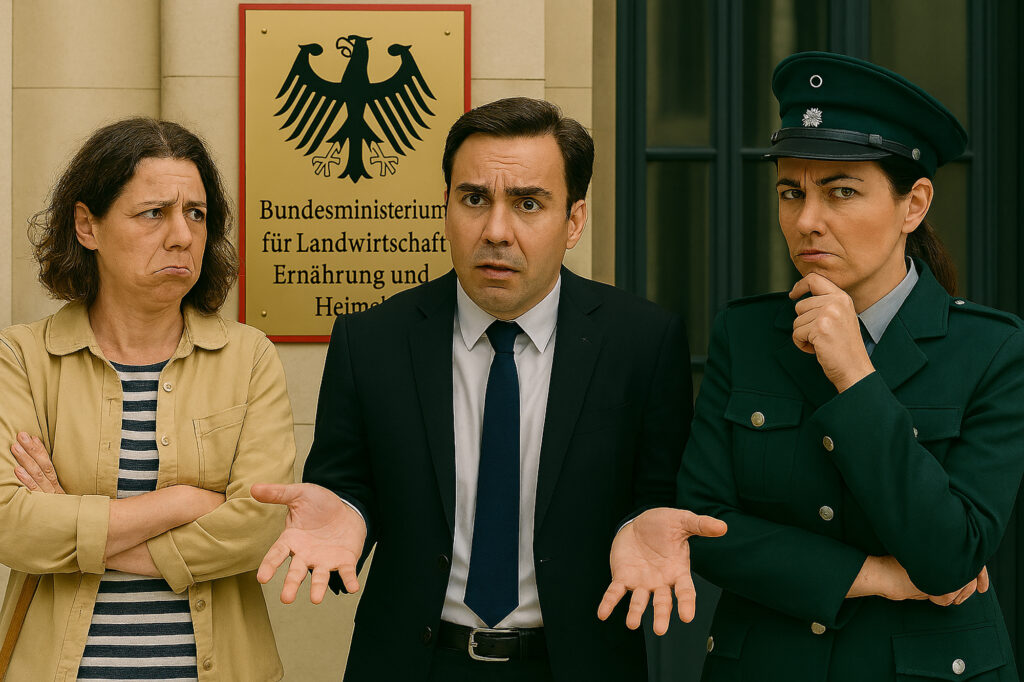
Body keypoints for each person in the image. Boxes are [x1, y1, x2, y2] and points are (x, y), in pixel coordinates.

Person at [251, 97, 726, 681]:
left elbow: (656, 491)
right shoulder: (371, 339)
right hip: (415, 664)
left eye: (528, 204)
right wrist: (348, 511)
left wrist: (645, 518)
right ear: (446, 206)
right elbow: (346, 485)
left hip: (575, 663)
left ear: (575, 221)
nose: (496, 231)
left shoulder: (643, 341)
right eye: (474, 199)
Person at [604, 52, 1024, 681]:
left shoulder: (990, 349)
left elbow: (951, 557)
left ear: (913, 205)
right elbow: (707, 524)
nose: (806, 221)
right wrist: (873, 575)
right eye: (791, 192)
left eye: (841, 192)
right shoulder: (747, 334)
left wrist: (857, 379)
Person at [0, 118, 296, 681]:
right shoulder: (22, 358)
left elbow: (259, 527)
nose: (182, 235)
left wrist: (70, 521)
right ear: (87, 225)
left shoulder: (248, 357)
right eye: (154, 212)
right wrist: (182, 504)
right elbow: (10, 524)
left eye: (196, 214)